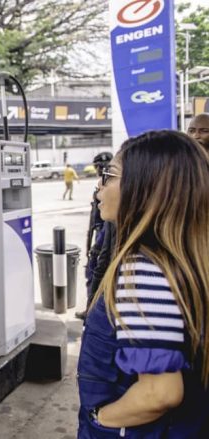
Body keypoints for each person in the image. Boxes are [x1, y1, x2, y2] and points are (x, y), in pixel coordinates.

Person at [78, 130, 209, 438]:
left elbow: (159, 394)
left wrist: (99, 417)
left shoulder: (142, 270)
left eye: (110, 175)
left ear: (144, 188)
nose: (99, 186)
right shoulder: (180, 261)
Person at [76, 152, 113, 321]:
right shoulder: (103, 186)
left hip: (104, 234)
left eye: (99, 166)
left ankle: (91, 311)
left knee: (95, 272)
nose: (98, 170)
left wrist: (96, 248)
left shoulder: (111, 188)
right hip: (99, 232)